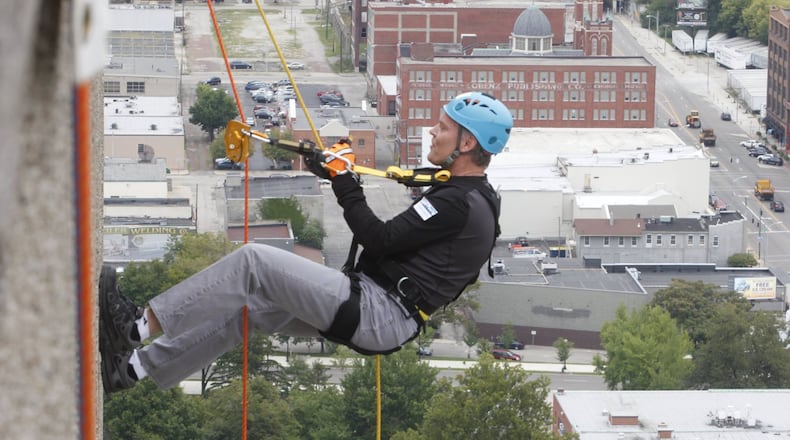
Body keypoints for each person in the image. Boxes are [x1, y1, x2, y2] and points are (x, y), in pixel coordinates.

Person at [99, 92, 514, 393]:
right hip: (382, 312)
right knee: (250, 307)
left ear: (467, 143)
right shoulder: (467, 193)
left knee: (254, 262)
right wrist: (332, 172)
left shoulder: (459, 204)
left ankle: (134, 327)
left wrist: (345, 182)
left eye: (443, 127)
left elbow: (379, 238)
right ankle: (131, 370)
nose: (433, 131)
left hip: (379, 310)